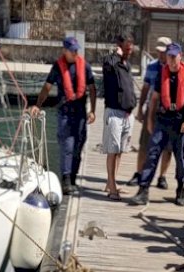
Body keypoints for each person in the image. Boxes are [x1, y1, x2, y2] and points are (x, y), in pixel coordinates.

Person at [130, 42, 184, 206]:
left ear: (180, 56)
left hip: (180, 123)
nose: (171, 59)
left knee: (180, 159)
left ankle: (180, 189)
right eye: (169, 56)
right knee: (152, 154)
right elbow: (154, 98)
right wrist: (149, 121)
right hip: (162, 121)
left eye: (174, 56)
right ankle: (143, 190)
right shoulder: (161, 74)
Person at [31, 36, 96, 195]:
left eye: (76, 50)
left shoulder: (84, 66)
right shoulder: (57, 67)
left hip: (80, 113)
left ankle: (73, 178)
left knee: (78, 146)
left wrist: (93, 110)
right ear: (65, 51)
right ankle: (66, 180)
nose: (75, 53)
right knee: (67, 146)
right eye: (72, 50)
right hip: (65, 113)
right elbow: (46, 88)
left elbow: (92, 88)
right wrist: (37, 106)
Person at [128, 37, 173, 190]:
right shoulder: (152, 67)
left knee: (168, 147)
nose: (160, 54)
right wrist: (140, 109)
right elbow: (146, 88)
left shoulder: (175, 67)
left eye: (163, 52)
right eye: (158, 51)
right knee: (144, 143)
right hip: (151, 109)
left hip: (168, 112)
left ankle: (162, 176)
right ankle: (139, 173)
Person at [101, 34, 137, 200]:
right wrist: (115, 53)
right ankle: (112, 187)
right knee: (112, 150)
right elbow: (107, 63)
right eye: (127, 48)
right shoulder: (111, 62)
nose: (129, 51)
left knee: (120, 150)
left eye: (131, 48)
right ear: (120, 45)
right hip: (114, 112)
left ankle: (111, 181)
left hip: (126, 114)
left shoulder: (126, 65)